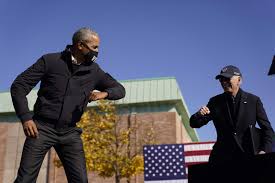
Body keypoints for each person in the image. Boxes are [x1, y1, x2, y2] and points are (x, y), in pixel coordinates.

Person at [11, 27, 125, 183]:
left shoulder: (94, 71)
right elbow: (19, 85)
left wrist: (104, 94)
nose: (97, 52)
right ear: (80, 45)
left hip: (70, 132)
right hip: (41, 129)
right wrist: (25, 117)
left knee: (80, 180)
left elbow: (120, 89)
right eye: (94, 47)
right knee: (25, 179)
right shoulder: (50, 61)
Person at [189, 65, 274, 165]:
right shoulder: (215, 102)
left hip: (248, 159)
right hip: (222, 160)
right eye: (221, 80)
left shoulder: (254, 101)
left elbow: (268, 130)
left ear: (239, 80)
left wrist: (264, 151)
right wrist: (199, 114)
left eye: (227, 78)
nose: (223, 82)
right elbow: (194, 124)